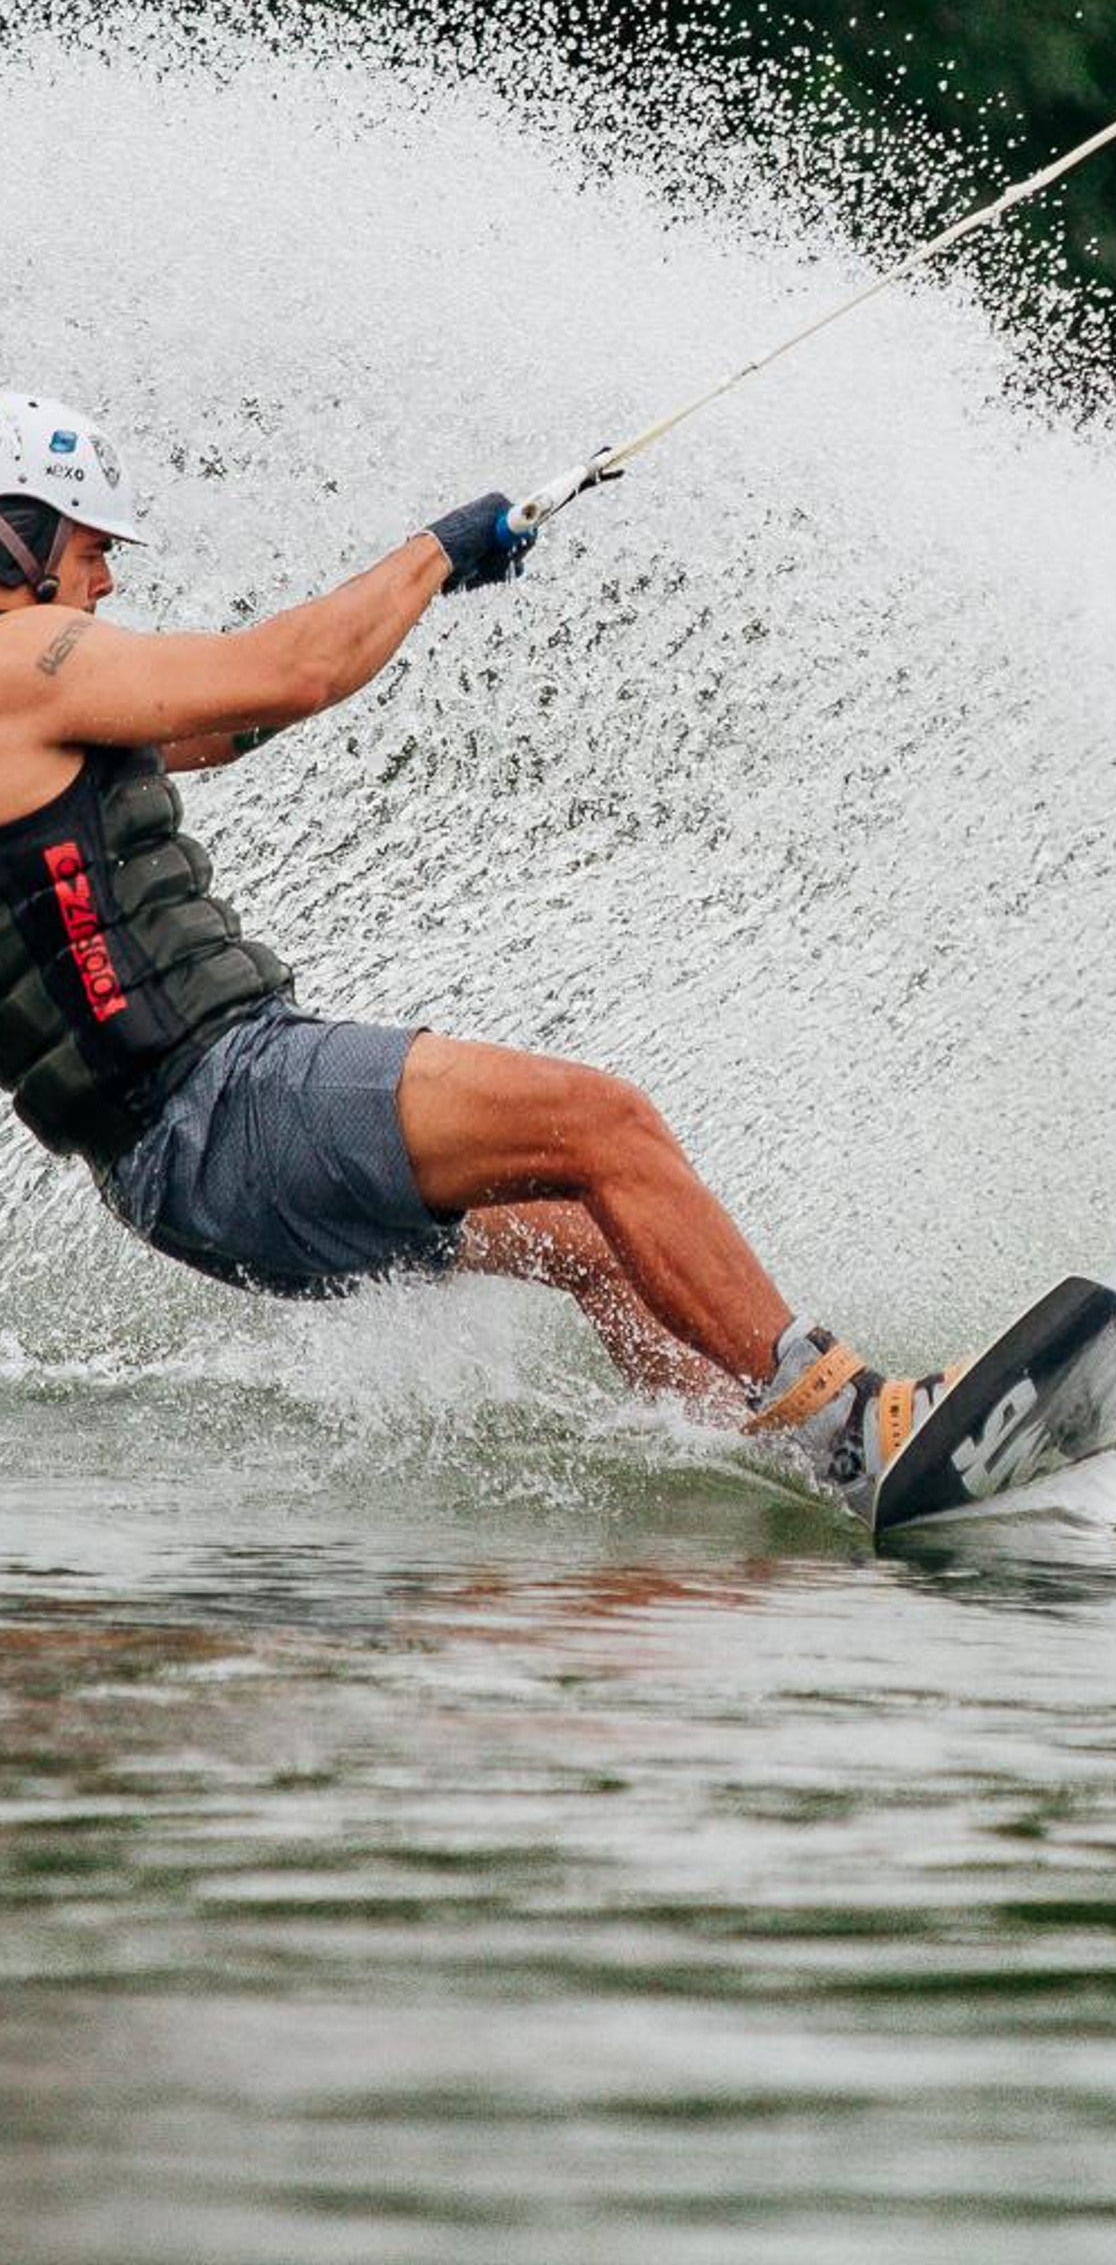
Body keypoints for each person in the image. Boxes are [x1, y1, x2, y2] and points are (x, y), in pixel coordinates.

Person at [0, 390, 953, 1515]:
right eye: (93, 549)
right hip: (223, 1106)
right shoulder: (24, 659)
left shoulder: (40, 701)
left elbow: (237, 716)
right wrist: (435, 552)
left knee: (588, 1236)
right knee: (603, 1123)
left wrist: (418, 596)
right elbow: (296, 667)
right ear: (16, 538)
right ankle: (853, 1427)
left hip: (176, 1172)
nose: (106, 581)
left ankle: (763, 1451)